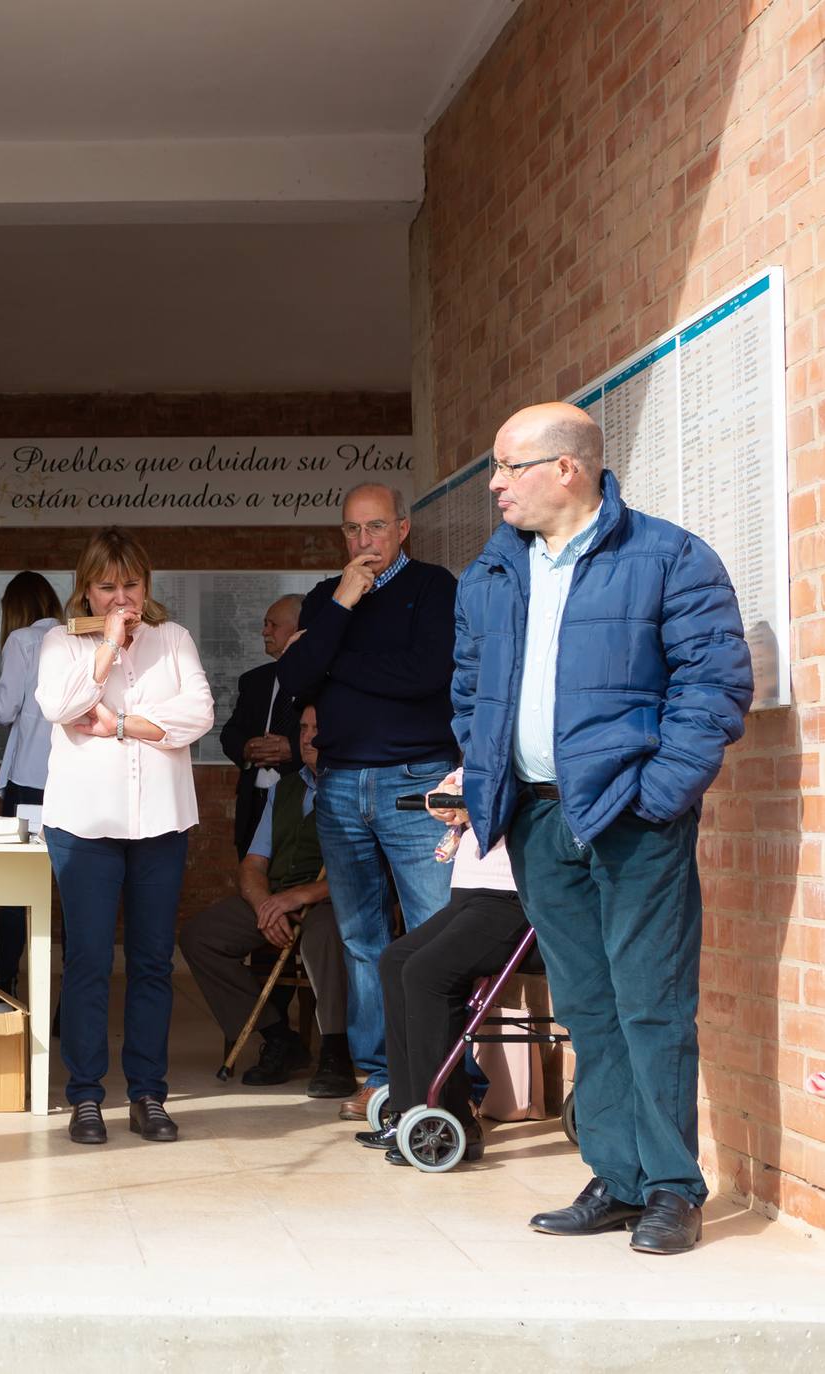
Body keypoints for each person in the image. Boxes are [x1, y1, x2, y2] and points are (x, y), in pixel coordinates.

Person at [445, 401, 750, 1255]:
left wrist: (656, 795)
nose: (496, 486)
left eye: (509, 468)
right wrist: (485, 781)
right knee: (586, 1003)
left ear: (566, 469)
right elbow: (470, 693)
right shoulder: (491, 574)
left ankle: (670, 1188)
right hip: (535, 820)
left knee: (650, 1004)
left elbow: (713, 685)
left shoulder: (668, 558)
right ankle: (616, 1179)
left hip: (632, 818)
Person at [275, 482, 459, 1121]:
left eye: (376, 528)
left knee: (437, 930)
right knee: (360, 939)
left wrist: (332, 654)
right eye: (352, 531)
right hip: (343, 784)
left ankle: (444, 1085)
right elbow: (294, 679)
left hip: (418, 780)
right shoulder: (331, 596)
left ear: (402, 529)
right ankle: (379, 1079)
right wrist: (343, 607)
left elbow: (424, 675)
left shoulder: (435, 587)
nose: (363, 543)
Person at [35, 528, 213, 1146]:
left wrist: (120, 726)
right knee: (86, 962)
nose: (120, 596)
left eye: (130, 584)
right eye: (107, 585)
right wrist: (106, 648)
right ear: (86, 586)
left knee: (152, 963)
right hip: (83, 826)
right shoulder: (61, 642)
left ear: (148, 583)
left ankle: (148, 1093)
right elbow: (59, 705)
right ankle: (85, 1095)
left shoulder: (174, 639)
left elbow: (199, 715)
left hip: (161, 822)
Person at [179, 703, 353, 1097]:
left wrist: (301, 896)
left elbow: (368, 870)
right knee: (199, 937)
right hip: (275, 898)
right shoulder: (284, 788)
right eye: (304, 728)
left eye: (318, 728)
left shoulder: (353, 787)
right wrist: (265, 906)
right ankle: (278, 1037)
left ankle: (335, 1052)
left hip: (329, 901)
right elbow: (253, 864)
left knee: (323, 937)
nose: (309, 737)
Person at [355, 786, 522, 1168]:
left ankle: (451, 1117)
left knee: (427, 972)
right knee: (395, 960)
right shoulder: (480, 743)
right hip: (471, 891)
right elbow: (455, 784)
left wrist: (472, 800)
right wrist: (445, 799)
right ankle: (407, 1107)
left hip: (511, 895)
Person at [0, 571, 62, 994]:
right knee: (70, 889)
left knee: (16, 885)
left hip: (29, 780)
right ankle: (66, 1000)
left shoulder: (22, 640)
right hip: (72, 782)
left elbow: (5, 710)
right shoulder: (76, 639)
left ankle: (5, 985)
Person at [218, 594, 304, 858]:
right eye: (265, 624)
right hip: (254, 803)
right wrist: (247, 748)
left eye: (273, 625)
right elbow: (230, 734)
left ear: (298, 629)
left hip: (302, 800)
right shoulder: (254, 681)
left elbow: (337, 737)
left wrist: (293, 750)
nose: (264, 631)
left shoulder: (327, 681)